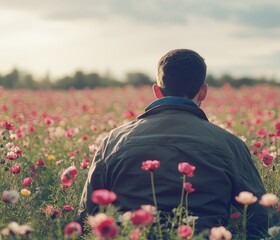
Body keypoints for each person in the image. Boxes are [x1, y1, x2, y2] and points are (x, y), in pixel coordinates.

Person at [78, 49, 268, 237]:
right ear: (203, 92)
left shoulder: (114, 141)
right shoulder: (230, 144)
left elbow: (88, 215)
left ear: (157, 92)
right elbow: (259, 218)